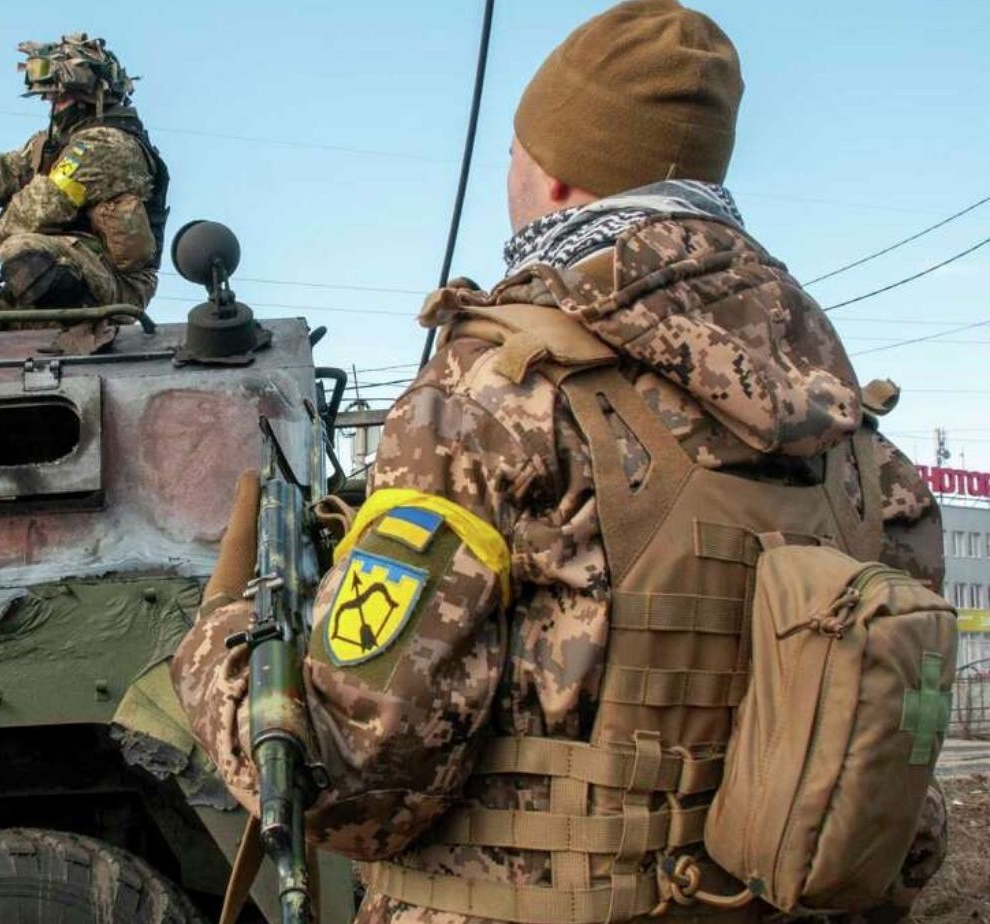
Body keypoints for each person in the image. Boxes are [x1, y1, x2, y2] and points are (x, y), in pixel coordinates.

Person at [170, 2, 948, 922]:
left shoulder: (491, 397)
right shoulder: (858, 442)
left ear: (560, 175)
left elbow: (348, 781)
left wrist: (220, 642)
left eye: (514, 151)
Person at [0, 33, 169, 311]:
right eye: (49, 96)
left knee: (19, 248)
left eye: (59, 96)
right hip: (69, 262)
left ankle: (65, 321)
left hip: (117, 284)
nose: (51, 104)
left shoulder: (107, 145)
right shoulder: (56, 142)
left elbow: (45, 203)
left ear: (88, 95)